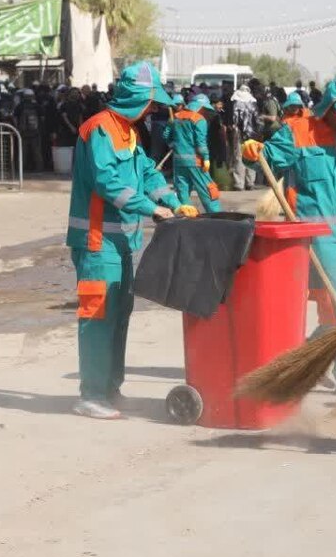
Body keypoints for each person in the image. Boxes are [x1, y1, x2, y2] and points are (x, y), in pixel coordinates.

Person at [243, 72, 336, 396]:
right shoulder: (298, 132)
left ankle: (307, 354)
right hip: (316, 237)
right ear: (330, 103)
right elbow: (265, 160)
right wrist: (252, 152)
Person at [66, 62, 185, 419]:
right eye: (151, 103)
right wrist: (152, 208)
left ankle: (109, 388)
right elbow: (107, 183)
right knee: (97, 317)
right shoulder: (100, 130)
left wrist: (174, 200)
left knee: (119, 317)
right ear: (138, 99)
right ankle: (91, 394)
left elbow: (147, 171)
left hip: (122, 245)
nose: (153, 110)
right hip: (95, 244)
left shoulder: (128, 133)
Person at [163, 94, 222, 213]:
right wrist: (206, 158)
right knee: (208, 188)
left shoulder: (175, 117)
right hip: (195, 161)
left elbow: (165, 136)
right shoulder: (199, 119)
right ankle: (215, 214)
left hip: (178, 161)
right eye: (204, 109)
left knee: (182, 190)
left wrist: (174, 146)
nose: (205, 111)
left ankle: (185, 215)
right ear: (200, 107)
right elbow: (200, 143)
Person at [229, 83, 259, 190]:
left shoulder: (236, 104)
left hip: (238, 132)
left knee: (239, 156)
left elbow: (233, 120)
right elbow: (257, 120)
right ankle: (250, 182)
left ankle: (239, 183)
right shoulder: (253, 103)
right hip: (252, 134)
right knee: (251, 155)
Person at [13, 88, 44, 173]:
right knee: (36, 151)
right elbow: (42, 118)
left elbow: (15, 118)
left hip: (23, 132)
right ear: (32, 96)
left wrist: (17, 127)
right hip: (35, 132)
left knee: (22, 151)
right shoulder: (37, 106)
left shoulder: (20, 106)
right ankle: (39, 168)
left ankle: (20, 168)